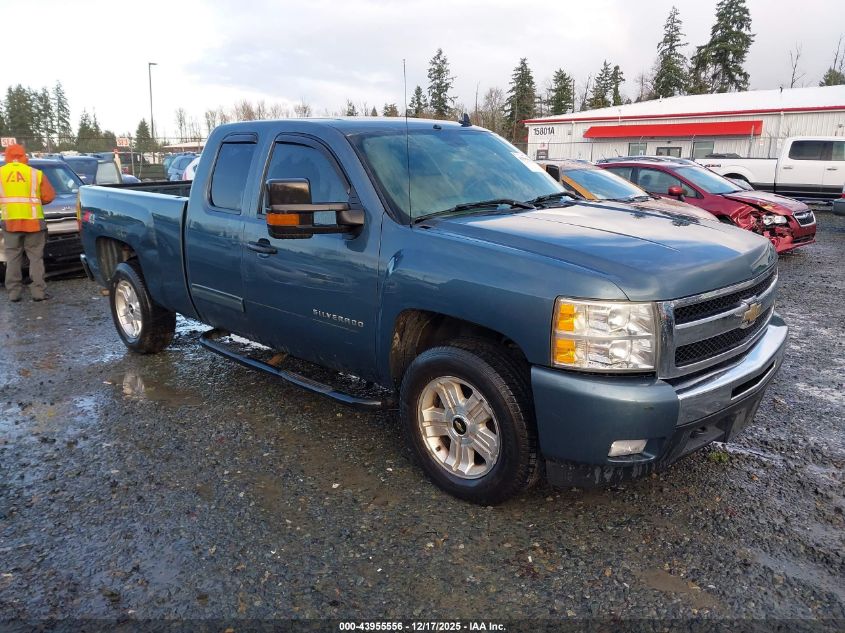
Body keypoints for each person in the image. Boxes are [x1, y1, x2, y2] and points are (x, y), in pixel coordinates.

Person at [0, 144, 56, 302]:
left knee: (12, 257)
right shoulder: (35, 174)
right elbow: (49, 196)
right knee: (35, 258)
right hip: (34, 223)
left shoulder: (0, 174)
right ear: (24, 156)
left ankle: (14, 293)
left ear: (7, 156)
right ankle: (38, 292)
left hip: (10, 223)